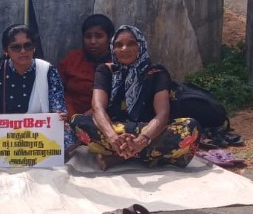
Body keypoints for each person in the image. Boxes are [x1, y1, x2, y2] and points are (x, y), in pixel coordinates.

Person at [71, 25, 199, 170]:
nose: (124, 49)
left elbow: (162, 115)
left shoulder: (156, 73)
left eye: (131, 43)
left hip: (149, 130)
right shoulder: (106, 70)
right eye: (119, 45)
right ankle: (147, 156)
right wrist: (113, 137)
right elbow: (97, 107)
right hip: (116, 128)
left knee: (190, 127)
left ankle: (120, 156)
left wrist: (141, 140)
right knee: (77, 121)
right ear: (113, 48)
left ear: (141, 46)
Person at [0, 24, 76, 153]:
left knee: (69, 137)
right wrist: (7, 127)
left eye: (27, 46)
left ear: (34, 47)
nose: (23, 51)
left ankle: (15, 154)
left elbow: (58, 108)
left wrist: (60, 116)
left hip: (39, 131)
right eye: (16, 47)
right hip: (4, 132)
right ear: (6, 50)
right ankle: (27, 153)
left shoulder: (47, 70)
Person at [58, 14, 115, 117]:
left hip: (107, 117)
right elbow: (55, 90)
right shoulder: (72, 60)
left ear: (110, 38)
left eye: (99, 36)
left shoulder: (117, 63)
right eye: (88, 36)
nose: (93, 41)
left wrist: (95, 112)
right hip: (69, 117)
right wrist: (72, 115)